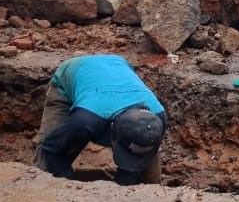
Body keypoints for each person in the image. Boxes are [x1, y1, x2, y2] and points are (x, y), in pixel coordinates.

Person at [33, 54, 166, 186]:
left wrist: (124, 188)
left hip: (117, 65)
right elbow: (52, 151)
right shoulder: (84, 122)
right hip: (72, 74)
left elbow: (137, 159)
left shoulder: (157, 120)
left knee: (151, 181)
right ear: (112, 130)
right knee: (46, 163)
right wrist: (72, 188)